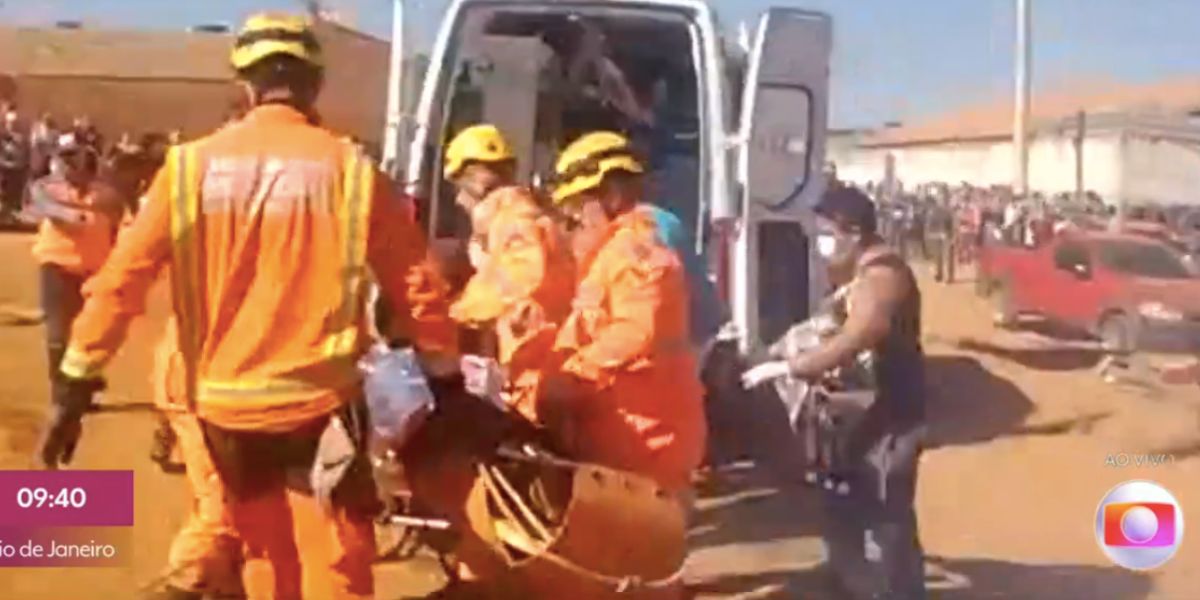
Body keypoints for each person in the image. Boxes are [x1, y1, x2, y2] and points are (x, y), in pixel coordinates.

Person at [58, 13, 458, 599]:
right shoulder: (349, 168)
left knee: (265, 554)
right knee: (334, 561)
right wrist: (445, 378)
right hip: (318, 405)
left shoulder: (187, 169)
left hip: (225, 410)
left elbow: (121, 280)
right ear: (315, 84)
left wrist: (76, 378)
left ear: (243, 88)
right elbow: (416, 282)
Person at [744, 186, 927, 600]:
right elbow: (827, 326)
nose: (821, 245)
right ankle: (850, 581)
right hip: (858, 419)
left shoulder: (883, 277)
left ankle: (899, 592)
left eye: (826, 234)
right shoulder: (857, 276)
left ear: (853, 232)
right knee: (843, 504)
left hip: (889, 419)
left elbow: (861, 332)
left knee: (886, 515)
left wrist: (795, 367)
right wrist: (778, 351)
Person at [544, 131, 706, 497]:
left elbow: (636, 331)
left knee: (638, 546)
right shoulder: (615, 250)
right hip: (628, 430)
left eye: (578, 209)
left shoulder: (638, 252)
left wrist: (571, 373)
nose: (573, 221)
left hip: (649, 436)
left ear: (611, 194)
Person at [442, 123, 575, 424]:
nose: (456, 200)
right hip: (538, 359)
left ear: (474, 182)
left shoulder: (514, 220)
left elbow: (518, 282)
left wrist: (452, 316)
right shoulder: (523, 216)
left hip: (531, 363)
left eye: (457, 187)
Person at [29, 133, 125, 469]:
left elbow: (118, 224)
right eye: (65, 156)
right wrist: (80, 215)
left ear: (89, 157)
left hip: (94, 274)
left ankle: (79, 394)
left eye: (76, 155)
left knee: (88, 339)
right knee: (58, 337)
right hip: (56, 269)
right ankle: (62, 399)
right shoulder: (45, 187)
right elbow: (49, 211)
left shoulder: (109, 194)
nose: (71, 162)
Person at [0, 110, 29, 217]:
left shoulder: (21, 140)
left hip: (16, 174)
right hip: (5, 174)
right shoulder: (4, 139)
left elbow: (22, 160)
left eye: (13, 123)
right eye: (8, 123)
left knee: (14, 202)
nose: (10, 125)